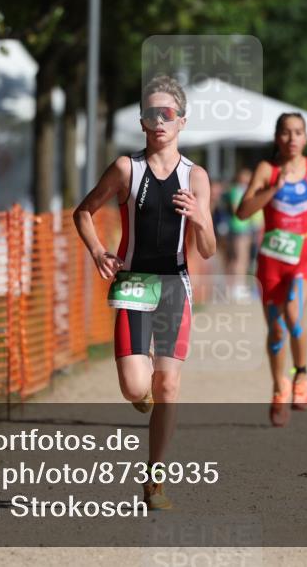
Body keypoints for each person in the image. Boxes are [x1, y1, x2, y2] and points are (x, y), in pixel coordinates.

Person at [73, 75, 215, 510]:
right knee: (137, 388)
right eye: (151, 113)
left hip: (174, 283)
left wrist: (199, 218)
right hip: (134, 282)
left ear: (182, 122)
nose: (159, 120)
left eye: (167, 113)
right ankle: (143, 393)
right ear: (141, 121)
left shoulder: (196, 177)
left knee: (168, 384)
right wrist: (98, 250)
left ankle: (154, 479)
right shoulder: (125, 169)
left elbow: (207, 251)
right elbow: (84, 212)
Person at [236, 113, 307, 427]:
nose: (292, 138)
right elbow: (242, 212)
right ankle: (278, 387)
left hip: (304, 256)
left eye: (298, 132)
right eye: (286, 133)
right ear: (277, 138)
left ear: (306, 138)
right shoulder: (266, 170)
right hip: (271, 261)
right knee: (276, 330)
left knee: (294, 316)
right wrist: (273, 190)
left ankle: (302, 377)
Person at [225, 168, 263, 295]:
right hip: (240, 228)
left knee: (238, 258)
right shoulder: (238, 190)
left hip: (244, 228)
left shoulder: (240, 190)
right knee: (240, 258)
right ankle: (237, 286)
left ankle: (233, 286)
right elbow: (237, 209)